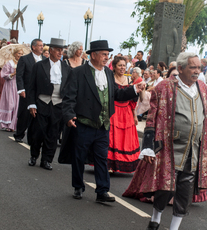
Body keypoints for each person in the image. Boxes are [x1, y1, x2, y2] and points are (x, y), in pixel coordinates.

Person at [125, 52, 207, 230]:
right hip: (169, 147)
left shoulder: (203, 88)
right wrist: (148, 146)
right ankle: (155, 221)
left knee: (185, 192)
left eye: (199, 67)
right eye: (193, 67)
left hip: (193, 149)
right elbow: (153, 116)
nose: (197, 71)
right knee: (165, 188)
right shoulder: (165, 86)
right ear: (180, 69)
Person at [61, 40, 145, 202]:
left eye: (108, 55)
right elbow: (69, 97)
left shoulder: (107, 73)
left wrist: (134, 89)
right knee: (79, 157)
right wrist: (68, 115)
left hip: (103, 124)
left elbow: (116, 95)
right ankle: (78, 186)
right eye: (104, 54)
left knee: (101, 158)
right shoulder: (79, 72)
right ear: (93, 55)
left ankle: (102, 191)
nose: (107, 58)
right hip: (84, 123)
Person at [27, 38, 70, 171]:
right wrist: (32, 104)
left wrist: (67, 108)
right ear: (50, 50)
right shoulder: (39, 65)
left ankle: (47, 160)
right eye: (57, 50)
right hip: (42, 102)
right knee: (38, 132)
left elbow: (69, 89)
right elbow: (31, 87)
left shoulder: (66, 68)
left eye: (61, 50)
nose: (60, 52)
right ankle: (34, 155)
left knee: (53, 133)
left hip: (58, 104)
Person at [106, 56, 140, 173]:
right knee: (112, 137)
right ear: (114, 67)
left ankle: (120, 164)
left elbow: (132, 101)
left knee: (125, 139)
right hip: (114, 111)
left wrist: (135, 115)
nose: (122, 68)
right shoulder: (110, 79)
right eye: (120, 65)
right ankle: (110, 164)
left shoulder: (130, 81)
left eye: (124, 66)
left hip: (126, 112)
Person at [14, 38, 43, 143]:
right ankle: (19, 134)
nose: (42, 47)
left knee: (36, 115)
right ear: (33, 47)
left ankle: (33, 138)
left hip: (40, 92)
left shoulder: (44, 59)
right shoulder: (25, 59)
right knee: (24, 114)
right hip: (27, 90)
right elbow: (19, 75)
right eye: (40, 45)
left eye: (42, 45)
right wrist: (21, 89)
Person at [0, 47, 23, 131]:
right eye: (19, 53)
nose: (20, 55)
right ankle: (7, 124)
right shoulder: (9, 63)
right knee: (10, 104)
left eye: (21, 54)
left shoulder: (22, 63)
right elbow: (3, 75)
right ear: (14, 54)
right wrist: (13, 73)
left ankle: (14, 125)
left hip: (19, 85)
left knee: (17, 105)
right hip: (10, 84)